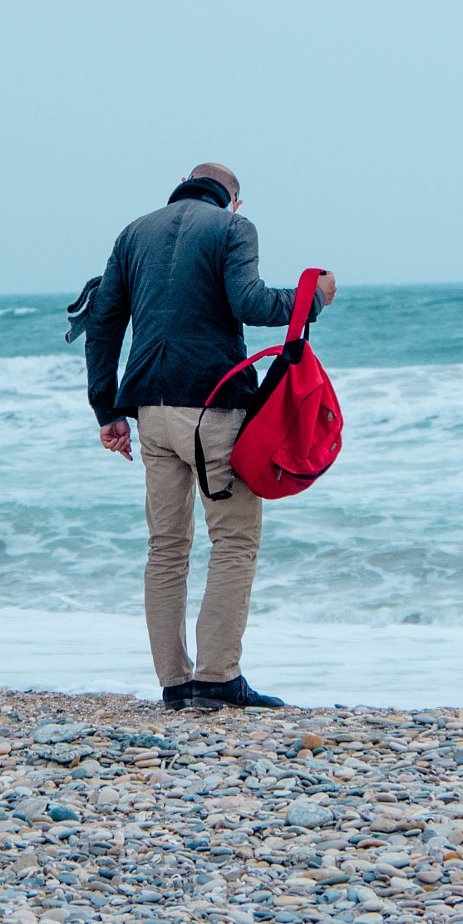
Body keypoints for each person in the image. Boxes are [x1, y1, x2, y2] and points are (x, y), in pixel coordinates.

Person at [83, 163, 335, 711]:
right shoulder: (232, 229)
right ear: (233, 200)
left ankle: (175, 684)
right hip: (213, 408)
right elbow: (251, 303)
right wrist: (314, 296)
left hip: (150, 408)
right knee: (234, 540)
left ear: (182, 184)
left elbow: (103, 321)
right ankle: (218, 678)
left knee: (166, 547)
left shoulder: (134, 232)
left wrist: (107, 409)